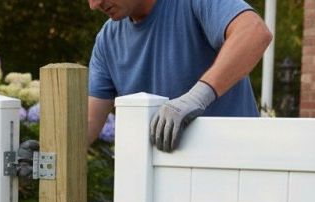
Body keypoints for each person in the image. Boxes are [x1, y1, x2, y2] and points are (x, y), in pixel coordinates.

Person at [87, 0, 273, 152]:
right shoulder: (107, 40)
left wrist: (196, 98)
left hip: (234, 169)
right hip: (164, 182)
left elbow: (254, 32)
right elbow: (89, 121)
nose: (94, 5)